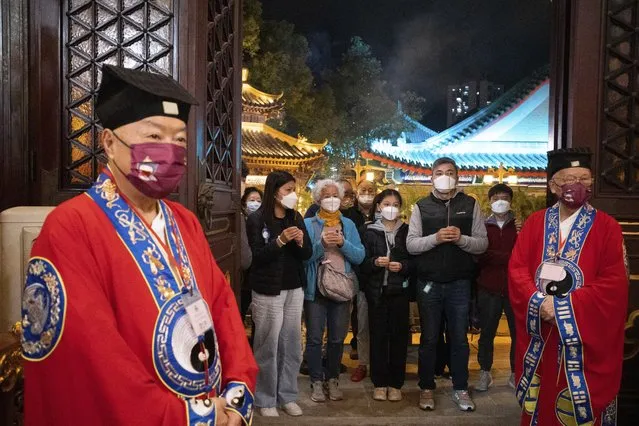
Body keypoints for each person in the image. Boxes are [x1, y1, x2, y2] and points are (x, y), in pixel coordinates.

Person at [20, 65, 257, 425]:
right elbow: (92, 357)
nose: (170, 151)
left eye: (179, 141)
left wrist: (237, 391)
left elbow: (222, 306)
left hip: (214, 407)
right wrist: (184, 416)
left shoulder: (184, 221)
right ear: (110, 143)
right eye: (154, 136)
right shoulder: (70, 227)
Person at [509, 148, 628, 425]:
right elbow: (517, 269)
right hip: (543, 333)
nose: (579, 185)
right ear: (553, 185)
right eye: (570, 177)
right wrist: (539, 303)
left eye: (585, 178)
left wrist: (564, 307)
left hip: (585, 339)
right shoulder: (535, 223)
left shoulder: (608, 227)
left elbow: (614, 283)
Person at [406, 156, 488, 412]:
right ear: (431, 177)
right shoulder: (421, 207)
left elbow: (482, 243)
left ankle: (461, 387)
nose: (444, 176)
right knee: (429, 338)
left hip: (459, 283)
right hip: (429, 283)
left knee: (460, 339)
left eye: (449, 172)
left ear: (457, 176)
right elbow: (412, 244)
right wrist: (436, 238)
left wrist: (462, 239)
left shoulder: (470, 204)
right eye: (439, 172)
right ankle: (426, 388)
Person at [245, 171, 312, 417]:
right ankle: (264, 398)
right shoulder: (256, 219)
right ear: (274, 191)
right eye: (288, 190)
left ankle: (288, 395)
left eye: (294, 189)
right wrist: (280, 241)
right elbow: (257, 258)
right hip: (267, 290)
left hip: (294, 287)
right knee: (267, 344)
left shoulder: (297, 217)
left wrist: (302, 242)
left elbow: (307, 256)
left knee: (291, 343)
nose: (292, 194)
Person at [304, 179, 365, 402]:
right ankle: (316, 381)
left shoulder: (348, 224)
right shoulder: (309, 223)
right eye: (326, 195)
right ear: (318, 199)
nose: (331, 199)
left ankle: (333, 379)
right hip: (316, 289)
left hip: (341, 287)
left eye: (335, 195)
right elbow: (304, 258)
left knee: (337, 339)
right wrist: (320, 244)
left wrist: (342, 243)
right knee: (314, 338)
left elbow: (359, 255)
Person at [360, 189, 413, 402]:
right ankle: (380, 382)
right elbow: (360, 261)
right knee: (378, 337)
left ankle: (396, 383)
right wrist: (374, 262)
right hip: (376, 292)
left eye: (395, 204)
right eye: (386, 203)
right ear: (379, 206)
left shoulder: (407, 230)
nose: (390, 208)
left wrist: (403, 266)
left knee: (399, 337)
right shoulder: (368, 231)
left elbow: (415, 260)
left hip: (399, 290)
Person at [475, 183, 518, 392]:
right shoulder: (482, 226)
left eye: (504, 197)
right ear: (490, 201)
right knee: (487, 332)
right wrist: (509, 257)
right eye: (495, 198)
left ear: (510, 201)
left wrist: (498, 257)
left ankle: (516, 373)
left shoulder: (520, 226)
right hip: (488, 287)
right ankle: (484, 371)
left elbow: (523, 256)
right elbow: (480, 254)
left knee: (517, 333)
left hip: (514, 288)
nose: (500, 201)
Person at [349, 179, 377, 382]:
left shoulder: (383, 212)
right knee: (362, 323)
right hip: (359, 275)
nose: (367, 193)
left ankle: (380, 362)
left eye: (371, 190)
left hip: (382, 275)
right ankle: (363, 363)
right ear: (357, 193)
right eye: (363, 190)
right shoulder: (349, 215)